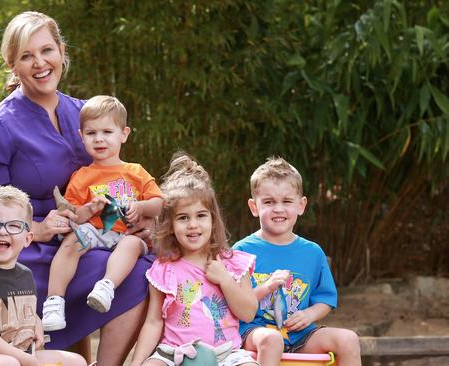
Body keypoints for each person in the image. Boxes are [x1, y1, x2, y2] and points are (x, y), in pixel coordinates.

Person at [0, 11, 152, 364]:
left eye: (47, 50)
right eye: (26, 56)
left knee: (146, 265)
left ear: (62, 51)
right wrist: (37, 228)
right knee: (136, 272)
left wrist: (137, 216)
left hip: (81, 238)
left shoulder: (86, 115)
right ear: (12, 65)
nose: (40, 63)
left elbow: (116, 178)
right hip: (22, 250)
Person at [41, 95, 163, 331]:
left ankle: (106, 287)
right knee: (72, 241)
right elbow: (73, 216)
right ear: (81, 136)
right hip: (95, 231)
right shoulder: (81, 175)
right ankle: (54, 301)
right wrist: (89, 209)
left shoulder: (135, 171)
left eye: (107, 132)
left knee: (131, 245)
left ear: (124, 134)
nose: (99, 139)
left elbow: (158, 202)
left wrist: (141, 207)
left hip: (127, 234)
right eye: (91, 133)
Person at [130, 152, 259, 366]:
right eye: (183, 218)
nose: (192, 224)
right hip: (173, 353)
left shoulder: (233, 263)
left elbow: (248, 313)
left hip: (226, 354)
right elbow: (153, 322)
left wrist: (225, 280)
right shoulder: (163, 269)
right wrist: (137, 363)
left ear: (213, 219)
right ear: (170, 225)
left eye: (200, 215)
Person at [232, 157, 361, 366]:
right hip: (253, 332)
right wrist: (266, 287)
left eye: (287, 201)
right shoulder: (241, 252)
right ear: (254, 207)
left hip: (300, 334)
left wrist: (309, 315)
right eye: (269, 202)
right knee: (272, 339)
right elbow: (235, 304)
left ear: (301, 205)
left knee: (348, 339)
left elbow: (325, 300)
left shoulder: (312, 252)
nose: (278, 209)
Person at [0, 186, 87, 366]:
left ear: (28, 238)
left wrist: (36, 323)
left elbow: (23, 311)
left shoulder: (25, 274)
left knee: (76, 361)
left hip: (21, 353)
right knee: (7, 364)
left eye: (14, 225)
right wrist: (25, 359)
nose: (3, 231)